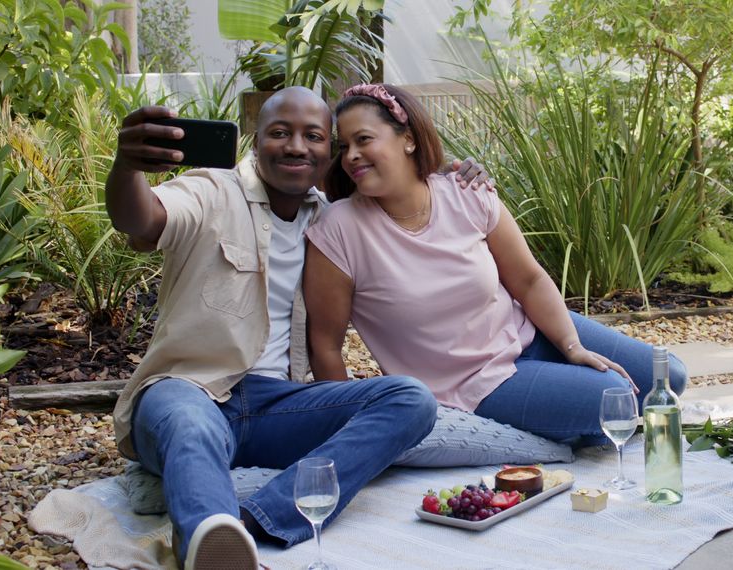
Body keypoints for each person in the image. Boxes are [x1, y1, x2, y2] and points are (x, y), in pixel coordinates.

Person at [106, 86, 489, 569]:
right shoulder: (210, 190)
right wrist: (127, 165)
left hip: (278, 406)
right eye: (280, 133)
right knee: (187, 422)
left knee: (409, 399)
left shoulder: (329, 220)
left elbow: (407, 201)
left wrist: (455, 176)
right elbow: (139, 217)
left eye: (313, 136)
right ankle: (208, 536)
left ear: (330, 151)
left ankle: (255, 523)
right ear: (255, 138)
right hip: (189, 390)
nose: (295, 146)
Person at [304, 84, 688, 450]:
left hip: (528, 334)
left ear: (408, 139)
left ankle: (567, 428)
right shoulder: (338, 230)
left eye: (364, 139)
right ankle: (562, 427)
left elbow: (529, 278)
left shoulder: (464, 192)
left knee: (669, 376)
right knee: (614, 399)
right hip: (472, 383)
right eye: (344, 146)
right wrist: (349, 429)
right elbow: (325, 343)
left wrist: (571, 347)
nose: (351, 154)